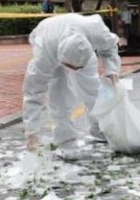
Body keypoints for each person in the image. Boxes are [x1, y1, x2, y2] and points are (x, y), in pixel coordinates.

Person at [23, 13, 121, 160]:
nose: (73, 71)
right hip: (49, 38)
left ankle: (99, 128)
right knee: (58, 95)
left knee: (92, 89)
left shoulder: (95, 31)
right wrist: (31, 133)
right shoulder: (44, 55)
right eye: (70, 67)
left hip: (77, 47)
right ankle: (65, 139)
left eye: (76, 67)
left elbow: (110, 46)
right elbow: (33, 93)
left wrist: (111, 70)